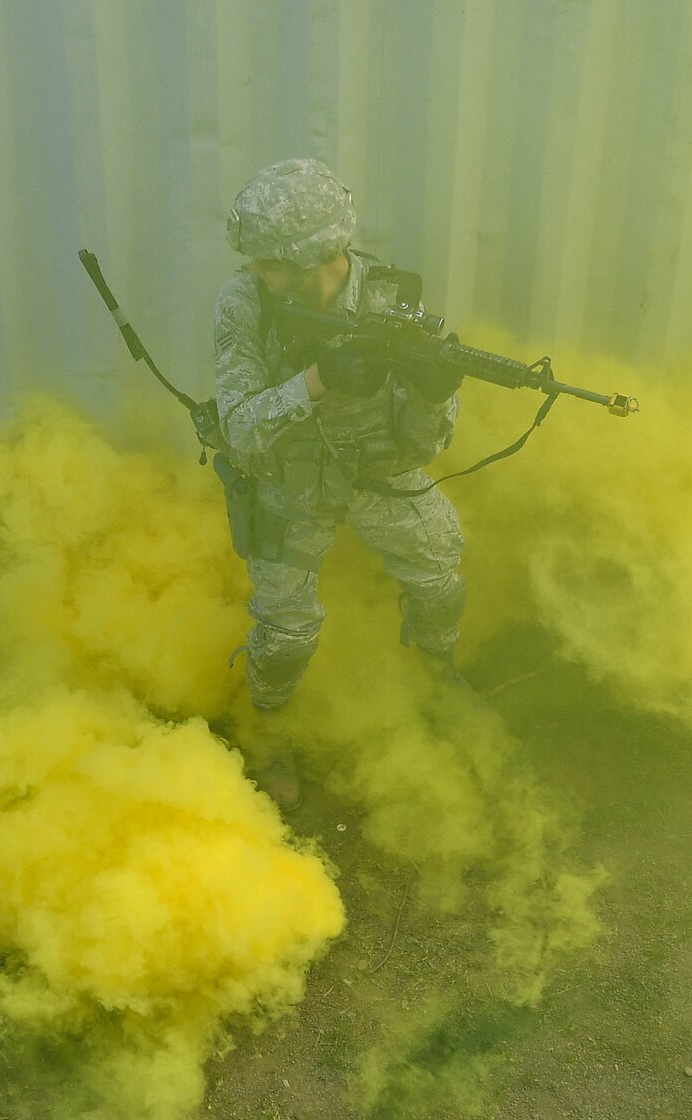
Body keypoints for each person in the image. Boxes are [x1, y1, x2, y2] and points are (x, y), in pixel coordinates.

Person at [213, 158, 468, 806]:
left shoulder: (390, 302)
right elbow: (240, 428)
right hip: (291, 477)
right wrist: (317, 381)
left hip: (377, 471)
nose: (255, 272)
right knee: (287, 632)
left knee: (442, 567)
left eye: (267, 261)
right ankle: (272, 725)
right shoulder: (246, 301)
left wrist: (433, 395)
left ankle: (435, 669)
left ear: (312, 258)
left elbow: (425, 445)